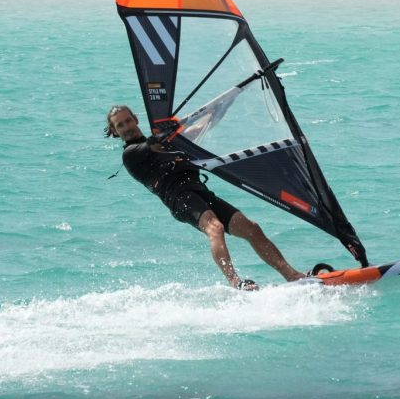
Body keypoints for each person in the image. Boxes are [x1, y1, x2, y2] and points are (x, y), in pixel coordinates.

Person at [105, 105, 306, 290]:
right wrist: (173, 128)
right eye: (120, 125)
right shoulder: (131, 154)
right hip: (179, 198)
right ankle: (235, 282)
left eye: (128, 121)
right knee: (215, 227)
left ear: (136, 120)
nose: (126, 127)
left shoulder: (164, 141)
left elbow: (202, 127)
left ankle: (292, 275)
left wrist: (219, 107)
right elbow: (152, 145)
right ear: (115, 131)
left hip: (199, 191)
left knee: (251, 228)